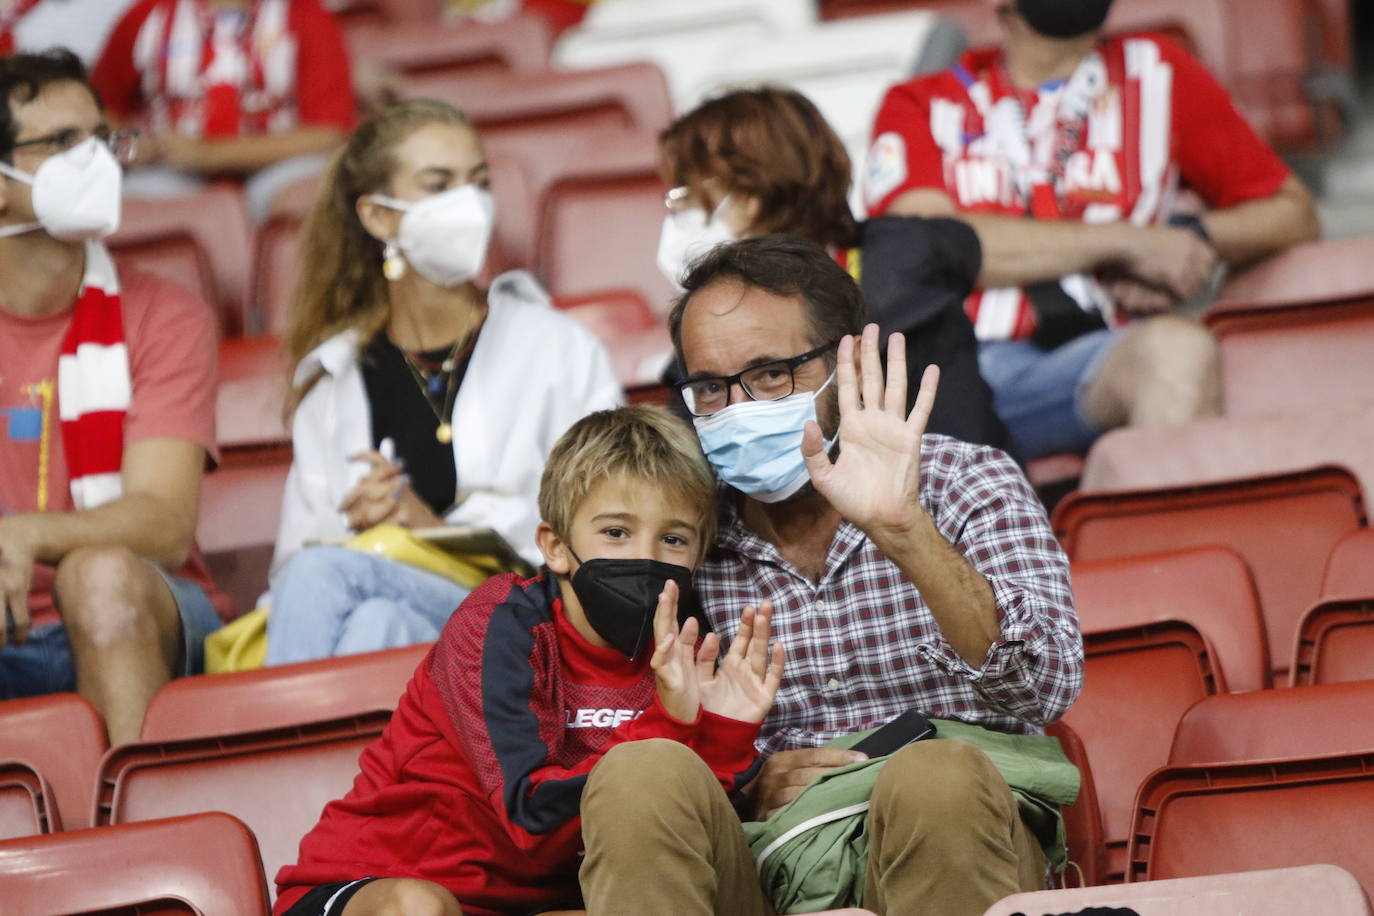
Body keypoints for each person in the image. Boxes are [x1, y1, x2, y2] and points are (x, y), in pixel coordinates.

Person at [577, 236, 1083, 915]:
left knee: (935, 778)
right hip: (772, 859)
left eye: (771, 375)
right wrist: (744, 777)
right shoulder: (680, 535)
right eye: (709, 387)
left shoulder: (967, 480)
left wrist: (906, 533)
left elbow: (1045, 687)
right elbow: (622, 721)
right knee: (636, 777)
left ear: (846, 367)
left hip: (956, 832)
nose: (738, 408)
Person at [273, 405, 785, 916]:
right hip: (377, 882)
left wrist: (724, 733)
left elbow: (667, 839)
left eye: (672, 539)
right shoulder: (501, 624)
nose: (643, 557)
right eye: (615, 533)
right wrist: (670, 726)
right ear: (556, 547)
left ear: (698, 556)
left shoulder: (694, 646)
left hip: (534, 903)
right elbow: (531, 821)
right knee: (417, 908)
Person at [864, 0, 1320, 462]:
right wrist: (1132, 243)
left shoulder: (1157, 72)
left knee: (1177, 351)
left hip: (1100, 357)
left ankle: (1170, 535)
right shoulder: (919, 102)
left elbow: (1293, 214)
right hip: (960, 370)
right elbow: (928, 246)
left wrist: (1189, 238)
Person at [265, 98, 622, 666]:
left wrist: (431, 534)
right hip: (422, 636)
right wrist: (365, 529)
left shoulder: (558, 347)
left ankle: (272, 754)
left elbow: (611, 537)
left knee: (328, 578)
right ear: (379, 216)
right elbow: (293, 569)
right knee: (379, 623)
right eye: (439, 185)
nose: (469, 204)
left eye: (478, 182)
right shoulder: (336, 380)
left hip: (533, 618)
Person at [0, 49, 229, 744]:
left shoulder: (168, 314)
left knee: (97, 578)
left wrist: (27, 533)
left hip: (144, 608)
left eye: (101, 137)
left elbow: (163, 524)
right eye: (63, 143)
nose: (96, 158)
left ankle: (137, 839)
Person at [656, 86, 1012, 454]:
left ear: (756, 190)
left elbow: (957, 456)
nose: (678, 219)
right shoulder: (705, 333)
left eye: (689, 197)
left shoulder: (905, 279)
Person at [89, 0, 355, 222]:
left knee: (314, 194)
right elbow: (98, 112)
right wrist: (133, 147)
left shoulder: (305, 14)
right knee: (125, 203)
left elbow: (328, 134)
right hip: (171, 170)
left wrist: (206, 153)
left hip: (276, 167)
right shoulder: (148, 15)